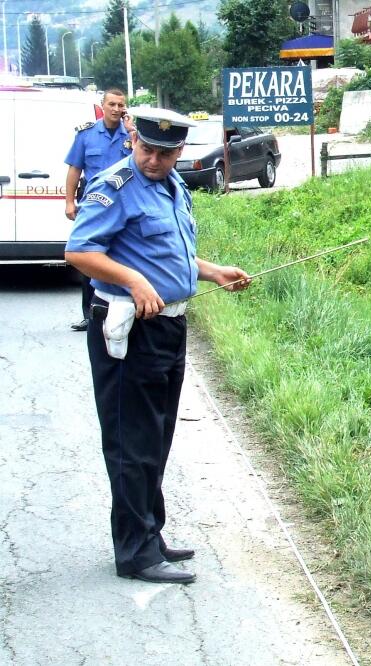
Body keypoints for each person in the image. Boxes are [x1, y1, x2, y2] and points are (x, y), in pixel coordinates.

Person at [65, 108, 252, 585]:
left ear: (179, 151)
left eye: (165, 154)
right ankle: (134, 552)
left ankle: (151, 534)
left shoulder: (173, 186)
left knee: (158, 435)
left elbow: (170, 252)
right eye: (146, 149)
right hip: (129, 329)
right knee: (132, 441)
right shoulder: (115, 185)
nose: (153, 160)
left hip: (169, 326)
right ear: (133, 141)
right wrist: (132, 280)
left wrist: (211, 271)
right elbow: (79, 250)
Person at [65, 89, 134, 332]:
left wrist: (132, 132)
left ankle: (126, 307)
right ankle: (90, 314)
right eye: (111, 104)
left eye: (120, 105)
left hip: (125, 202)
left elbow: (142, 162)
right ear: (102, 106)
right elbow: (75, 169)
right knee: (91, 255)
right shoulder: (86, 134)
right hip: (94, 203)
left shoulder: (131, 134)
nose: (116, 109)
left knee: (123, 254)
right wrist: (69, 202)